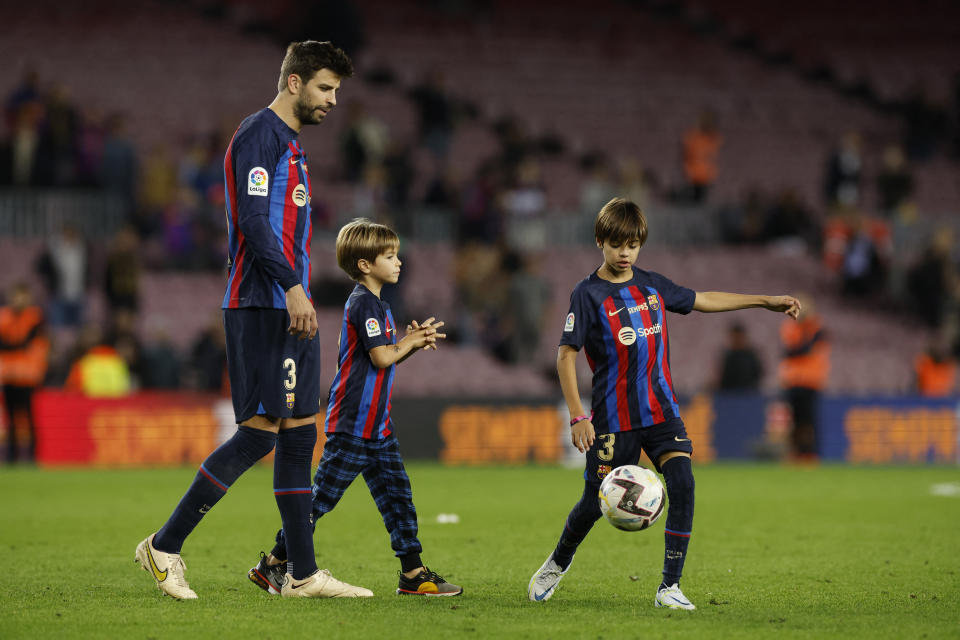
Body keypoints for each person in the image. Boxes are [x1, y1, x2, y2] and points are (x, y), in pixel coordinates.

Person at [134, 40, 363, 600]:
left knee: (299, 432)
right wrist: (290, 288)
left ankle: (301, 574)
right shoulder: (260, 134)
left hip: (291, 303)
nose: (333, 100)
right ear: (294, 83)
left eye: (337, 90)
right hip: (263, 303)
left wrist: (300, 291)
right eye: (325, 88)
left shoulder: (291, 143)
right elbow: (256, 223)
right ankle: (163, 546)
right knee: (260, 434)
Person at [527, 198, 800, 610]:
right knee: (592, 504)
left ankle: (669, 587)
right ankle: (557, 562)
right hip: (613, 418)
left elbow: (702, 299)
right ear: (600, 241)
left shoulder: (651, 285)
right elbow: (566, 354)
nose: (625, 253)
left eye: (633, 245)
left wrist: (764, 300)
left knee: (684, 483)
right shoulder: (587, 294)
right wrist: (578, 415)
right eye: (618, 244)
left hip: (661, 412)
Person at [247, 218, 463, 598]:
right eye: (390, 256)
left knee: (398, 498)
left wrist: (409, 343)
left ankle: (413, 574)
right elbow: (382, 357)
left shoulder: (377, 304)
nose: (399, 262)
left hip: (377, 427)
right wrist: (409, 342)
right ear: (365, 264)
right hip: (353, 425)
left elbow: (381, 361)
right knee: (319, 500)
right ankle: (275, 563)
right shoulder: (364, 303)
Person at [0, 282, 49, 463]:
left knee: (29, 418)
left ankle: (32, 456)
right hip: (8, 376)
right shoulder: (3, 317)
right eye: (15, 296)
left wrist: (12, 347)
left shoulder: (35, 317)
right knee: (10, 418)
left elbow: (29, 343)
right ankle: (12, 456)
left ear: (28, 298)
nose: (18, 300)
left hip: (27, 378)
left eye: (21, 296)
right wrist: (17, 347)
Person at [779, 295, 829, 462]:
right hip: (793, 381)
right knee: (794, 420)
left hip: (811, 381)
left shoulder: (817, 327)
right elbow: (794, 350)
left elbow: (802, 350)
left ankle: (809, 454)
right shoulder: (792, 327)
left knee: (809, 421)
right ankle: (796, 453)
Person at [716, 323, 764, 391]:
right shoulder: (727, 355)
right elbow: (722, 377)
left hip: (749, 393)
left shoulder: (751, 355)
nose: (736, 340)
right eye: (734, 337)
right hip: (729, 394)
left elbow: (758, 373)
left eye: (738, 337)